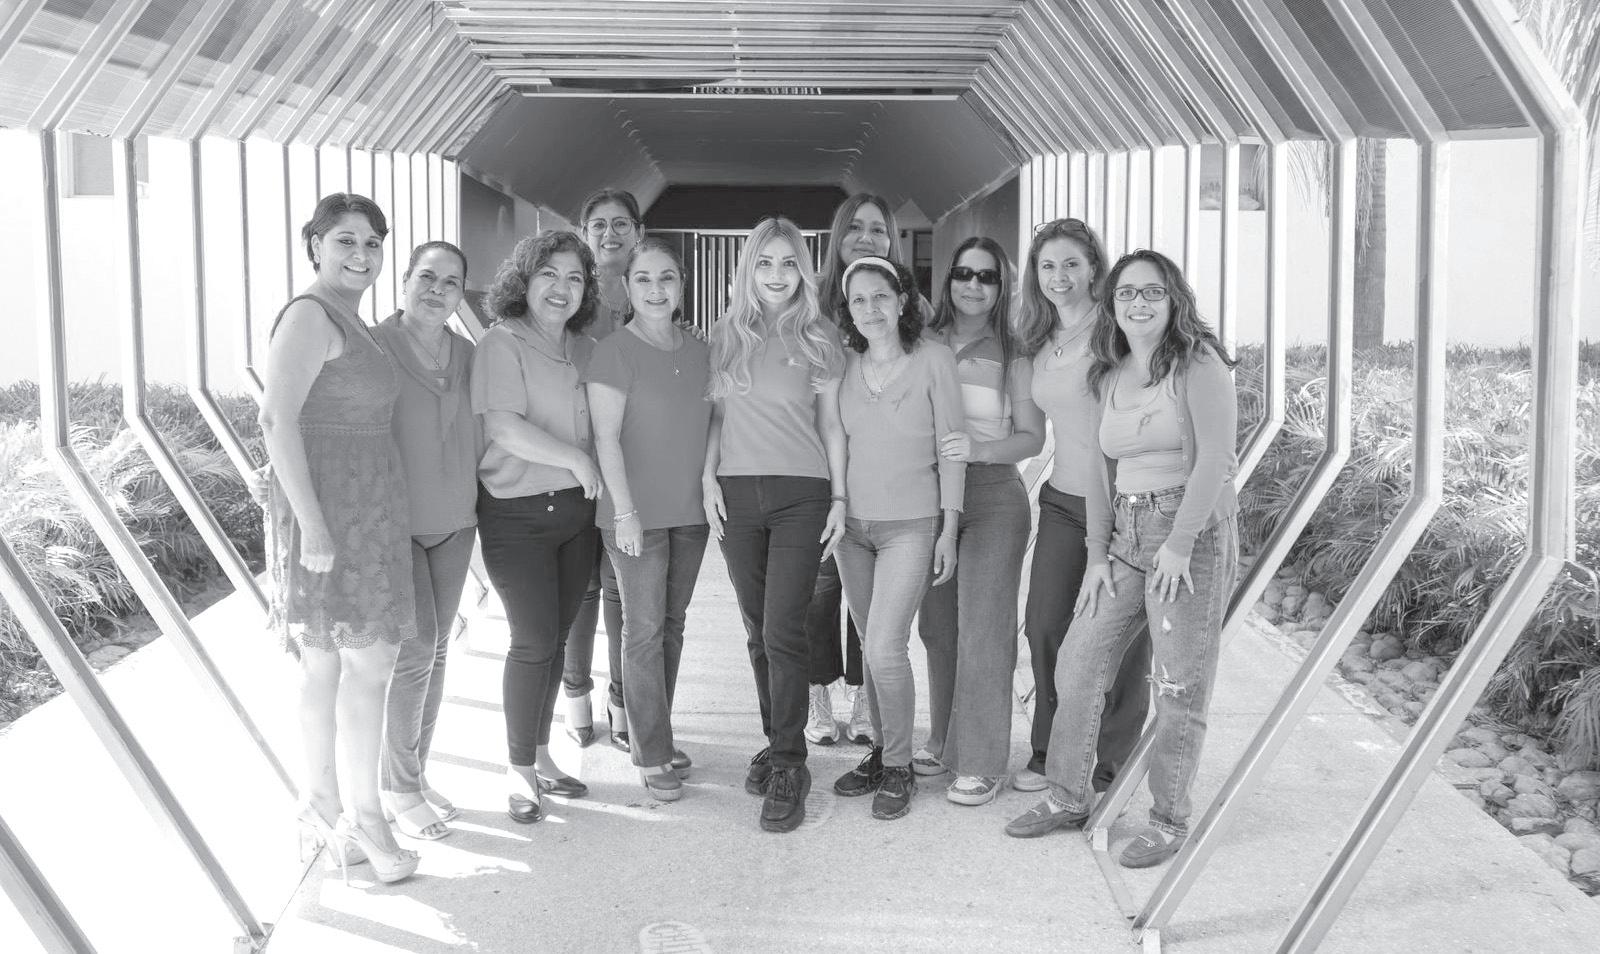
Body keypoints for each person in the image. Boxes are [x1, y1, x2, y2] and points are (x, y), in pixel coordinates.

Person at [1006, 249, 1240, 872]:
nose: (1139, 303)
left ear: (1174, 299)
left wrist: (1180, 543)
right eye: (1127, 293)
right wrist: (1097, 555)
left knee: (1178, 683)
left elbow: (1216, 460)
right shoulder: (1110, 372)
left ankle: (1169, 820)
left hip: (1189, 535)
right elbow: (1100, 470)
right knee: (1078, 661)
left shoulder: (1198, 363)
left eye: (1152, 292)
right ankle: (1068, 794)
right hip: (1126, 536)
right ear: (1112, 304)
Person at [261, 193, 418, 884]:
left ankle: (323, 808)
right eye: (345, 240)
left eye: (373, 243)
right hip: (332, 510)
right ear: (315, 245)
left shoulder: (351, 317)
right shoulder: (310, 314)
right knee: (371, 663)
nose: (361, 254)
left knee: (328, 664)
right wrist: (314, 525)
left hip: (365, 503)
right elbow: (276, 420)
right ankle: (367, 816)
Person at [703, 216, 846, 833]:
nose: (777, 274)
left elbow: (832, 424)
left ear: (803, 271)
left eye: (789, 263)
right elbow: (716, 418)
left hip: (801, 495)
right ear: (748, 270)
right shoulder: (725, 334)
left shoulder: (819, 335)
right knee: (757, 630)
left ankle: (791, 762)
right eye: (765, 262)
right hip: (736, 493)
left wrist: (840, 497)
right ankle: (777, 738)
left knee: (785, 628)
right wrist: (707, 478)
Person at [1013, 218, 1151, 795]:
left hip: (1126, 504)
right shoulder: (1039, 339)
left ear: (1095, 267)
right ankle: (1049, 748)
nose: (1059, 276)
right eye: (1048, 265)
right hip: (1065, 501)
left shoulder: (1115, 330)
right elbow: (1032, 429)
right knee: (1045, 626)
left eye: (1072, 263)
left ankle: (1112, 762)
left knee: (1120, 639)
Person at [827, 257, 965, 821]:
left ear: (902, 300)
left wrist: (949, 528)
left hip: (911, 523)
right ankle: (883, 754)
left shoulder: (933, 359)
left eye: (881, 296)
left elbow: (953, 445)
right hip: (852, 529)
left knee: (886, 646)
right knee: (869, 644)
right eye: (858, 300)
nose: (871, 309)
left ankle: (901, 765)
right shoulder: (844, 363)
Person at [472, 230, 603, 824]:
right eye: (549, 273)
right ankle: (518, 770)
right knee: (531, 640)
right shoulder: (501, 343)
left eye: (574, 277)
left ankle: (542, 756)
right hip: (517, 515)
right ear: (523, 279)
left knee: (555, 638)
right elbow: (503, 427)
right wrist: (576, 458)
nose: (561, 287)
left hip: (577, 516)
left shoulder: (584, 347)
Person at [915, 237, 1045, 804]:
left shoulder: (1014, 351)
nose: (973, 285)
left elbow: (1032, 437)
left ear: (1002, 286)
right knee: (938, 628)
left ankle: (983, 759)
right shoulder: (923, 341)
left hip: (992, 496)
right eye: (964, 273)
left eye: (987, 276)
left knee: (985, 630)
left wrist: (977, 450)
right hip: (929, 495)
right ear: (949, 279)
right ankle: (944, 742)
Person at [583, 238, 712, 801]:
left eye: (666, 278)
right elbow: (605, 437)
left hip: (690, 514)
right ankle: (652, 752)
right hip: (633, 515)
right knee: (643, 631)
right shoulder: (614, 352)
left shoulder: (702, 351)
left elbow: (712, 424)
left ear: (681, 284)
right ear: (627, 287)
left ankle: (658, 733)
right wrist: (626, 512)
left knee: (672, 626)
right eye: (643, 279)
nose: (656, 289)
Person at [805, 193, 927, 746]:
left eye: (877, 229)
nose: (865, 237)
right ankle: (818, 692)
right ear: (838, 236)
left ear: (891, 240)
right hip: (819, 466)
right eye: (854, 227)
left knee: (873, 607)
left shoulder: (907, 303)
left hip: (883, 481)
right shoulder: (814, 304)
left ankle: (860, 695)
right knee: (818, 590)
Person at [372, 241, 480, 841]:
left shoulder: (468, 354)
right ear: (405, 281)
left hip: (456, 520)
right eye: (427, 277)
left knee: (437, 650)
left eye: (451, 282)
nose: (437, 290)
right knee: (413, 652)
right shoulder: (373, 347)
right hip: (394, 522)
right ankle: (399, 787)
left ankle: (413, 772)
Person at [560, 189, 637, 750]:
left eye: (621, 224)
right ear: (584, 233)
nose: (610, 234)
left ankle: (623, 697)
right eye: (599, 224)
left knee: (620, 591)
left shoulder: (649, 293)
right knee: (582, 588)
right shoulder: (568, 299)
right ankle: (575, 692)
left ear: (638, 231)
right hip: (573, 463)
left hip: (633, 466)